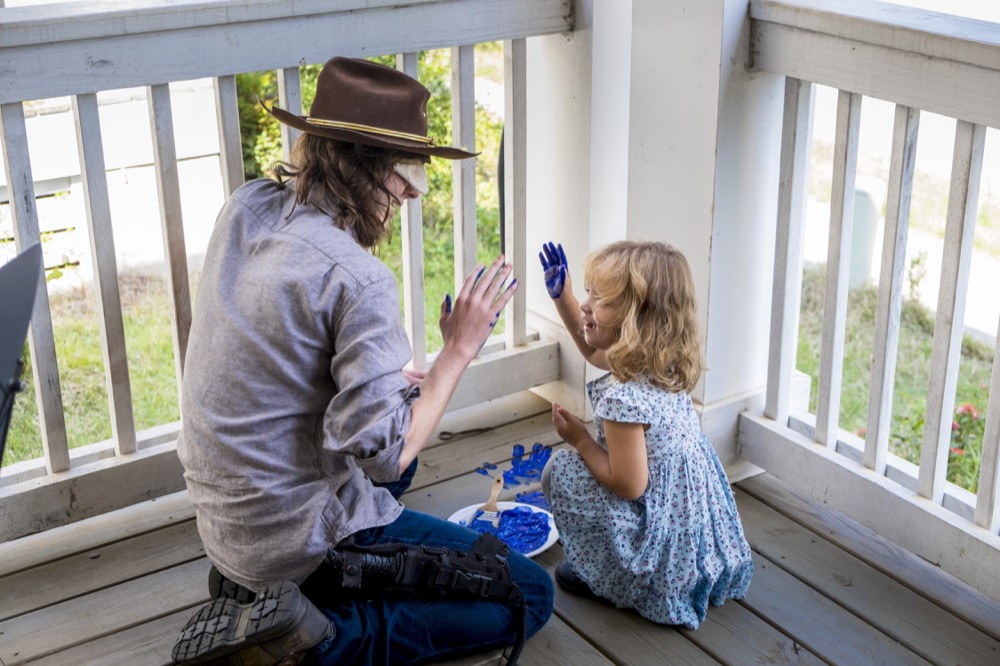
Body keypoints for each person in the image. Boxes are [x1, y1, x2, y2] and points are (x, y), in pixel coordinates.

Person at [173, 56, 553, 666]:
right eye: (404, 171)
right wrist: (460, 350)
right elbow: (385, 461)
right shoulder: (359, 280)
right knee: (528, 594)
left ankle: (259, 600)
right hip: (297, 539)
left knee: (400, 427)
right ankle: (314, 644)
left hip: (229, 530)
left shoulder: (247, 207)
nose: (413, 190)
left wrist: (387, 387)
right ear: (359, 164)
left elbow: (275, 354)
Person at [537, 240, 753, 629]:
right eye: (588, 293)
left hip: (659, 548)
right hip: (690, 534)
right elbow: (592, 350)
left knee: (559, 472)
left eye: (598, 299)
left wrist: (582, 440)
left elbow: (629, 485)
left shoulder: (624, 400)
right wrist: (563, 297)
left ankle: (617, 580)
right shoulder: (662, 361)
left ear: (636, 321)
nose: (586, 305)